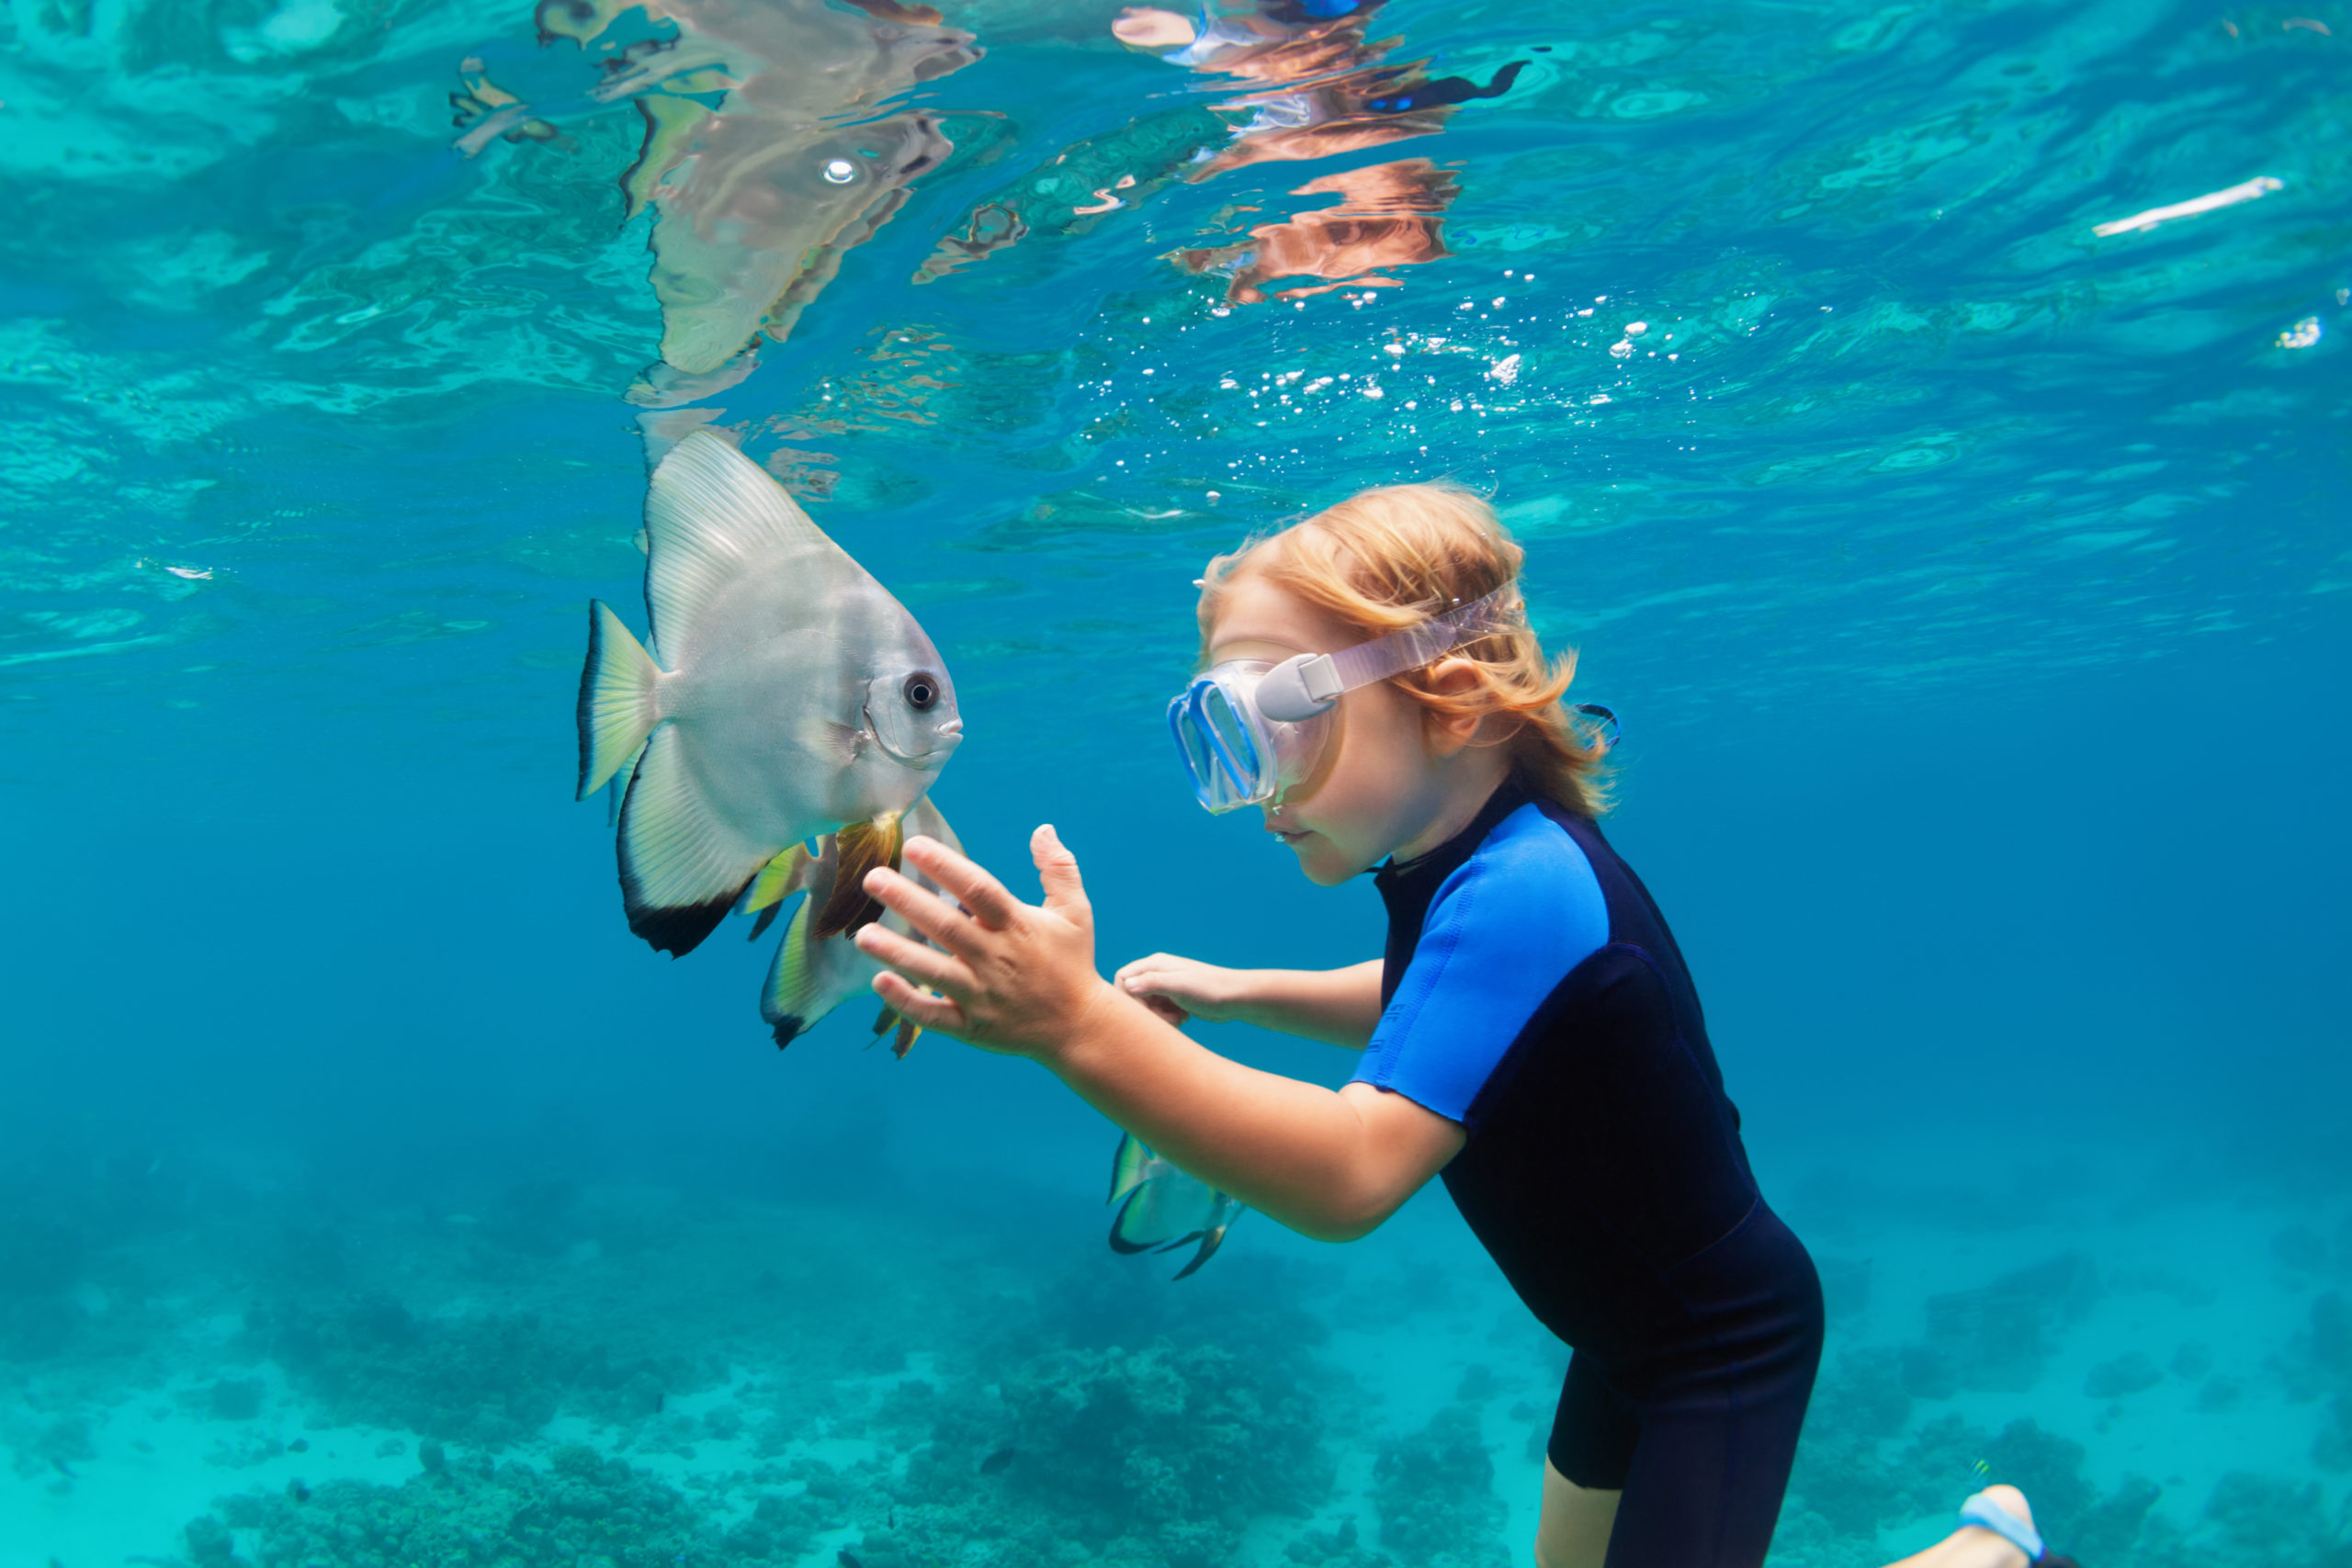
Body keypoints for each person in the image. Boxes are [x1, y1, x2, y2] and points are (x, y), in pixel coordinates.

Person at [848, 485, 2077, 1568]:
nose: (1260, 786)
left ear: (1448, 697)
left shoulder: (1523, 887)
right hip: (1621, 1331)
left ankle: (1992, 1555)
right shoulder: (1464, 871)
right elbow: (1459, 1023)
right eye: (1226, 738)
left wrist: (1075, 1027)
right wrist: (1241, 990)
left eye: (1282, 724)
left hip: (1719, 1346)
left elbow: (1351, 1177)